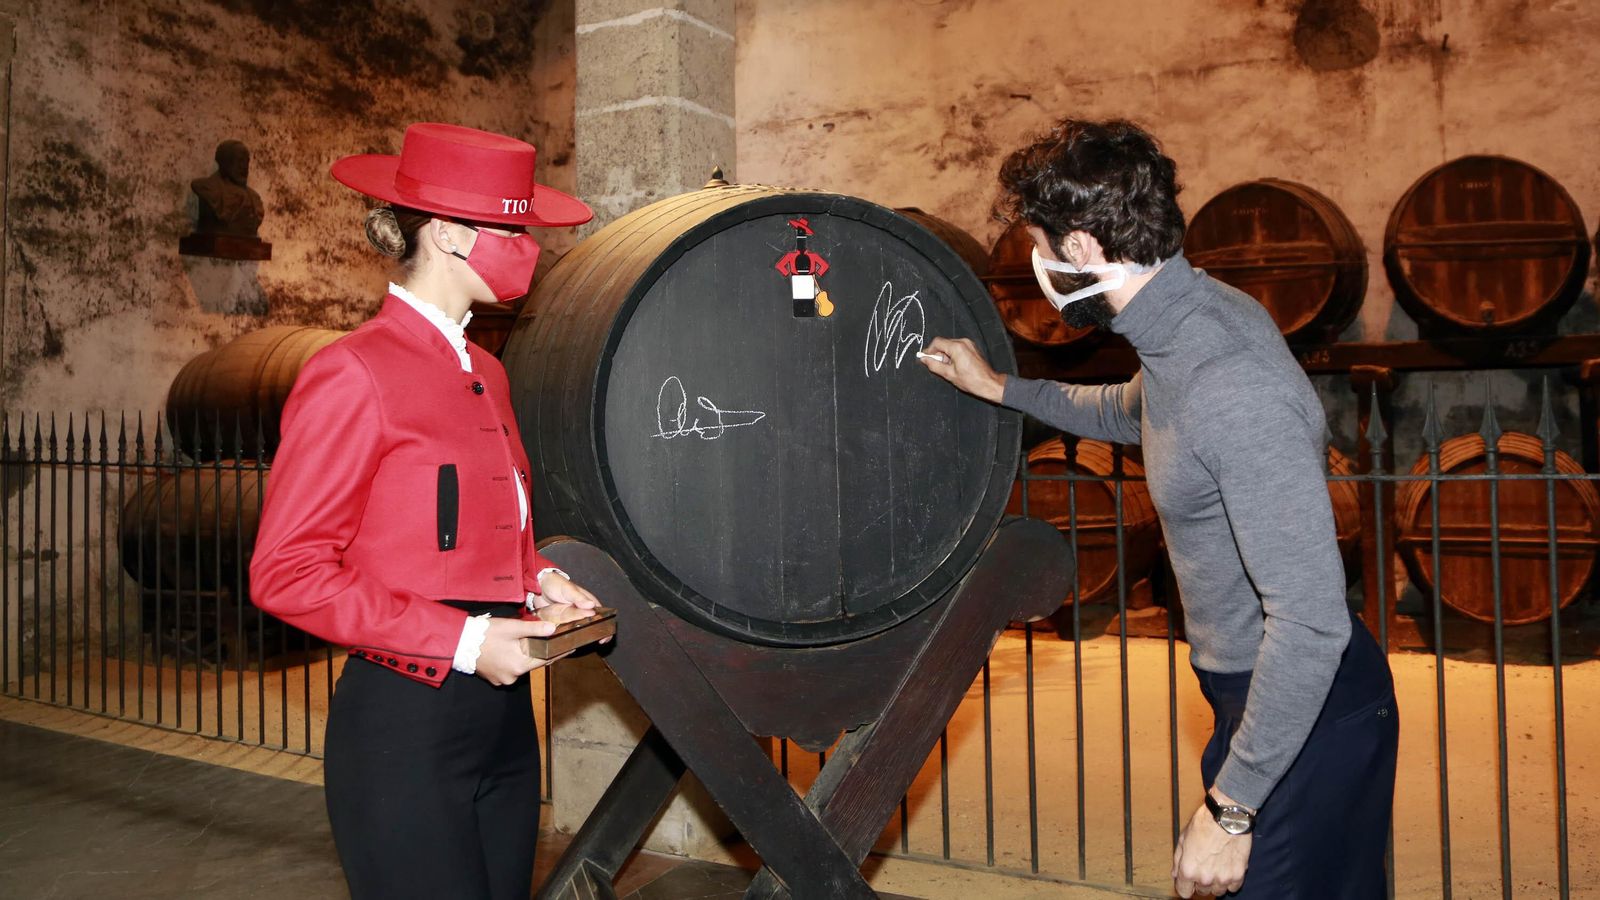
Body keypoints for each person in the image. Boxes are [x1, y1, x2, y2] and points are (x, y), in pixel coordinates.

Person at [921, 119, 1398, 898]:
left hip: (1304, 711)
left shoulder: (1231, 381)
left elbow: (1312, 622)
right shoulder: (1185, 323)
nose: (1038, 266)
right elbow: (1130, 410)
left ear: (1079, 249)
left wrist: (1231, 808)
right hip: (1254, 697)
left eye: (1040, 247)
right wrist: (999, 388)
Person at [249, 122, 603, 900]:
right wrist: (467, 640)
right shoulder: (352, 371)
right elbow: (287, 573)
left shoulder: (486, 370)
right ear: (449, 234)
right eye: (514, 227)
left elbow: (478, 527)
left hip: (504, 720)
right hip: (406, 722)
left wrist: (538, 579)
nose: (529, 247)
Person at [191, 140, 266, 238]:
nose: (244, 167)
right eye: (239, 161)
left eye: (246, 161)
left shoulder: (255, 198)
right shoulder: (207, 188)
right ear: (224, 162)